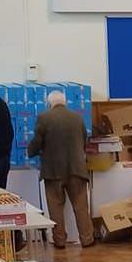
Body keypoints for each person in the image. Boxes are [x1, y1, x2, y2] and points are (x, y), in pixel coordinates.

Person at [28, 90, 94, 249]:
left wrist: (31, 152)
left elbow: (37, 142)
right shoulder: (77, 117)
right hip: (77, 168)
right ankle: (87, 239)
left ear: (49, 103)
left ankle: (60, 240)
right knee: (81, 206)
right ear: (65, 102)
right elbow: (84, 139)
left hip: (53, 170)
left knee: (55, 207)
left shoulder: (44, 117)